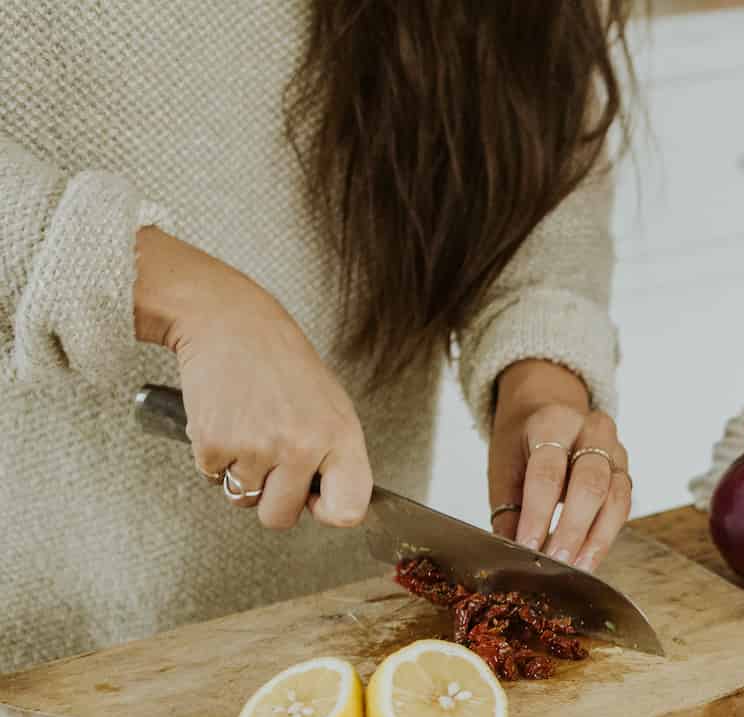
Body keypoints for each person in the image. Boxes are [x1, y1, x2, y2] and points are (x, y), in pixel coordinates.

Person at [0, 3, 637, 674]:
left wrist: (538, 381)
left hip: (331, 635)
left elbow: (538, 155)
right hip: (33, 662)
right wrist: (180, 294)